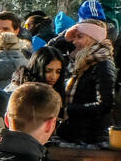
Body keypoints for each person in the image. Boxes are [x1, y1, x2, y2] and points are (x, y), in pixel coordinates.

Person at [48, 18, 116, 147]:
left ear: (92, 39)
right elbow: (45, 55)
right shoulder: (79, 61)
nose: (74, 42)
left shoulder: (102, 64)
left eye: (79, 37)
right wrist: (62, 39)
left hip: (90, 140)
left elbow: (105, 105)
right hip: (75, 135)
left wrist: (68, 110)